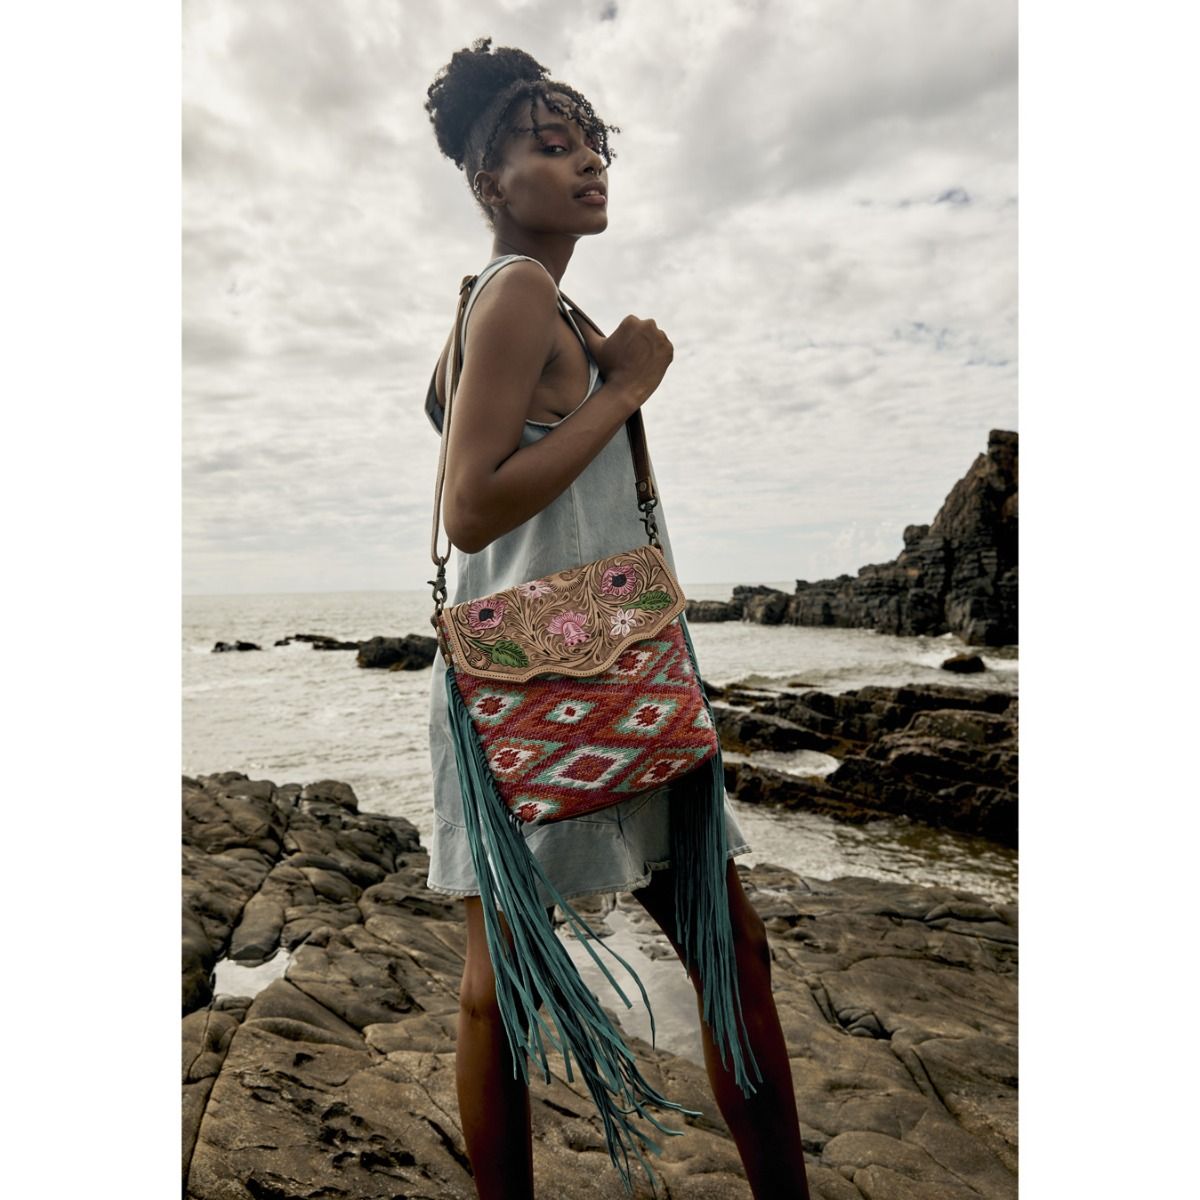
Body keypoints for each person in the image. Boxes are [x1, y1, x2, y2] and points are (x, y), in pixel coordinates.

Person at [422, 38, 812, 1200]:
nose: (588, 163)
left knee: (501, 989)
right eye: (552, 146)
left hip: (529, 679)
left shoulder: (504, 306)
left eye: (592, 141)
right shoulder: (521, 291)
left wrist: (598, 388)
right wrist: (628, 391)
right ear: (491, 183)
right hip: (589, 671)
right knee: (729, 958)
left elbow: (471, 444)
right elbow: (474, 497)